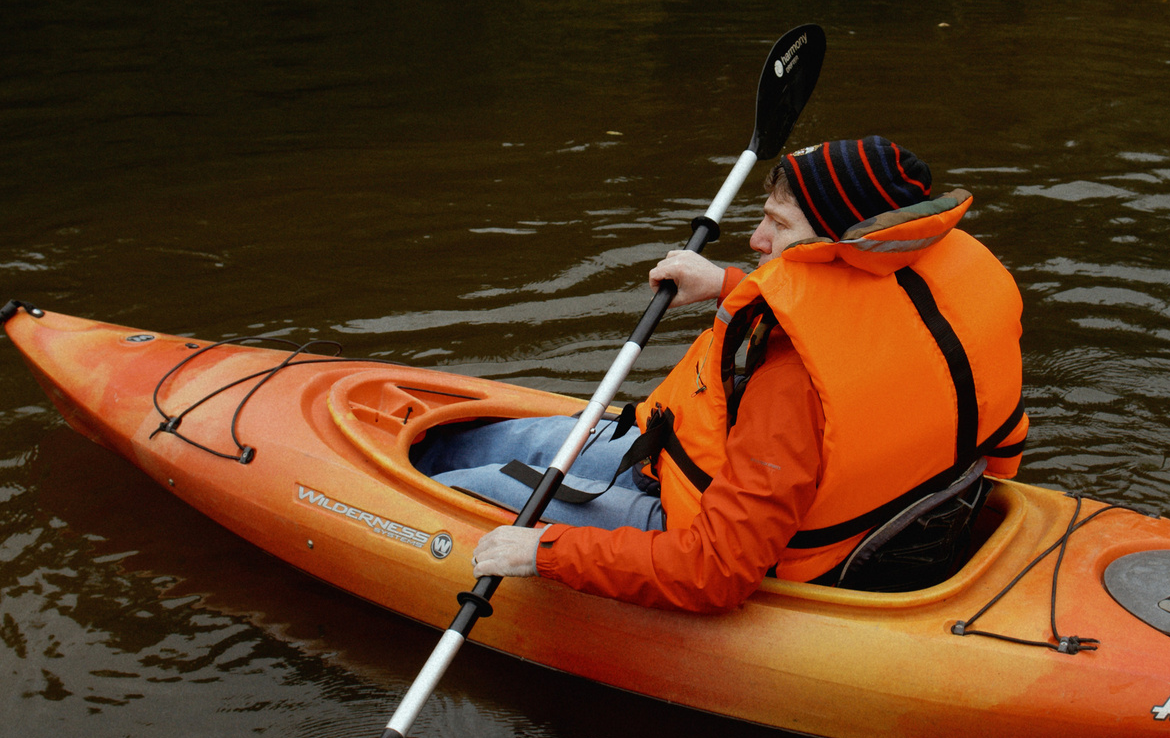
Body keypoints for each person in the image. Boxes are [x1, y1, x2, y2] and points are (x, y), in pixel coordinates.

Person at [413, 136, 1030, 612]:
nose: (757, 239)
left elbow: (715, 571)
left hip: (703, 530)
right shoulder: (946, 282)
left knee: (472, 486)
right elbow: (855, 311)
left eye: (779, 225)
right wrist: (726, 283)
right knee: (497, 442)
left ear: (838, 242)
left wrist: (544, 551)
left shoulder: (791, 386)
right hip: (685, 456)